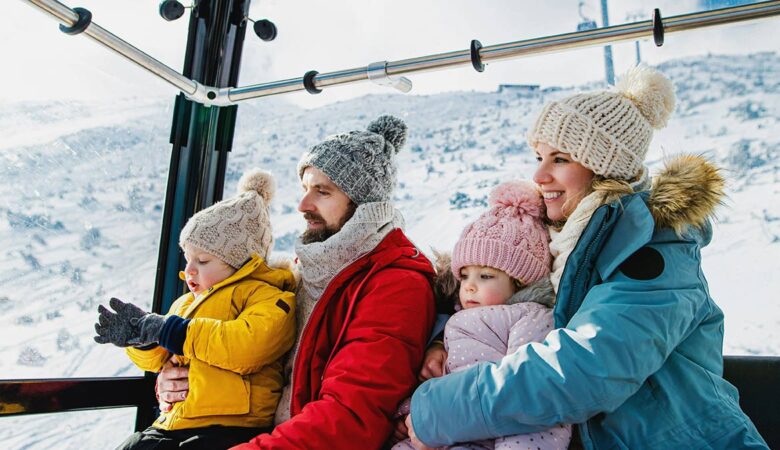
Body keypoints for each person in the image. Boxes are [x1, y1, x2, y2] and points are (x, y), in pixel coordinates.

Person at [405, 65, 769, 449]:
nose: (540, 174)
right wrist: (444, 340)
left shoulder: (653, 252)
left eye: (560, 159)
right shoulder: (562, 245)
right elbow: (495, 292)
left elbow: (588, 369)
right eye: (539, 156)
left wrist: (438, 410)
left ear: (602, 167)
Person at [158, 115, 437, 450]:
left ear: (364, 202)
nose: (303, 205)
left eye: (322, 191)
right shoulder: (299, 275)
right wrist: (176, 383)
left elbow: (351, 416)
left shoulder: (395, 284)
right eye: (305, 189)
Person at [94, 169, 298, 449]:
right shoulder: (186, 304)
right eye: (188, 258)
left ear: (241, 263)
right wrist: (142, 338)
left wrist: (172, 330)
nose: (189, 270)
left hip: (230, 426)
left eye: (202, 261)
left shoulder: (268, 297)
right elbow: (160, 361)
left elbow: (248, 345)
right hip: (176, 421)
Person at [393, 180, 571, 450]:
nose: (470, 286)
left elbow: (531, 397)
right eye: (464, 276)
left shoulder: (531, 317)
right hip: (438, 432)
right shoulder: (452, 320)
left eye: (486, 276)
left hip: (483, 438)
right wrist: (409, 415)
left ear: (520, 281)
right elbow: (444, 379)